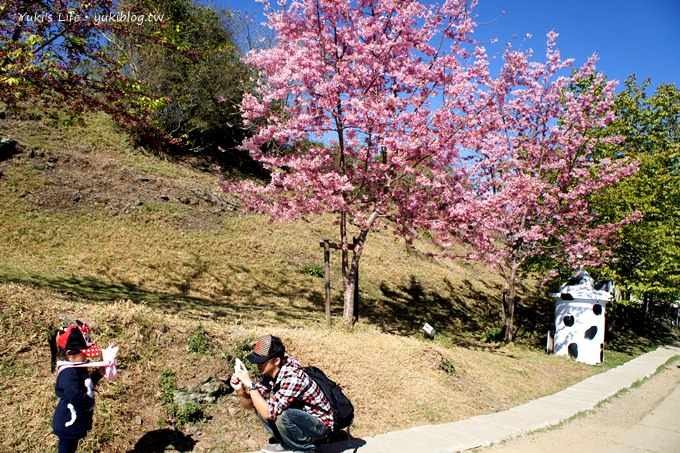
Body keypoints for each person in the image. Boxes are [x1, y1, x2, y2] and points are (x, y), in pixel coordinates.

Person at [231, 335, 334, 453]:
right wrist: (240, 390)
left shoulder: (293, 377)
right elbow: (250, 405)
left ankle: (305, 449)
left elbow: (268, 413)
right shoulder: (269, 374)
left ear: (276, 361)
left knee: (283, 415)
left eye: (262, 361)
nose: (258, 364)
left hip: (320, 428)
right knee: (260, 403)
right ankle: (287, 444)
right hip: (300, 420)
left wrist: (250, 385)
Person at [48, 320, 105, 453]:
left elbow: (85, 385)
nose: (86, 356)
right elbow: (74, 393)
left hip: (74, 424)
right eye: (83, 353)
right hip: (68, 422)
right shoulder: (68, 372)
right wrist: (89, 403)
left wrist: (98, 373)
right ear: (69, 354)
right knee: (66, 450)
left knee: (71, 449)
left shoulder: (77, 367)